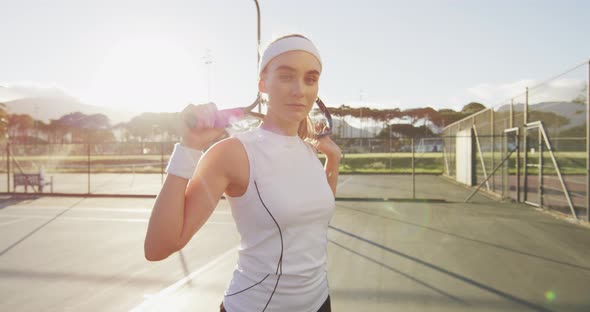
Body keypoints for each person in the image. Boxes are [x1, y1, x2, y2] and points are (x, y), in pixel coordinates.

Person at [144, 34, 341, 312]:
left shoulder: (310, 152)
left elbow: (318, 215)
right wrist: (189, 148)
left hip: (320, 302)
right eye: (286, 76)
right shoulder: (233, 153)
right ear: (263, 84)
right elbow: (158, 247)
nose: (300, 90)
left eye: (310, 79)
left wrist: (332, 160)